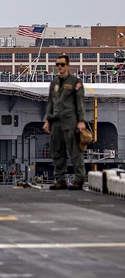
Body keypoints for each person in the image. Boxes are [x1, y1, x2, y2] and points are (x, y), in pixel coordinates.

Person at [44, 54, 87, 190]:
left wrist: (81, 121)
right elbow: (51, 102)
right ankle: (60, 179)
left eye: (62, 64)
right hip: (56, 121)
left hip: (70, 122)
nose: (59, 67)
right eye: (57, 65)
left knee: (75, 152)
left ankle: (79, 180)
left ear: (68, 65)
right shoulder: (54, 83)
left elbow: (80, 103)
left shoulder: (76, 82)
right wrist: (47, 120)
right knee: (57, 151)